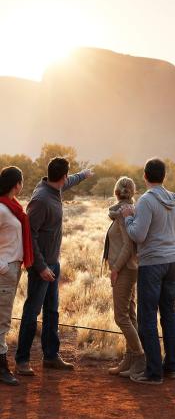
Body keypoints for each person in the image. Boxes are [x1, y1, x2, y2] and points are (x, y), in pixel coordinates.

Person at [15, 157, 93, 375]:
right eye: (68, 176)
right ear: (63, 176)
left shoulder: (55, 187)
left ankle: (50, 356)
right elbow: (30, 236)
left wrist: (83, 175)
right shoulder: (41, 200)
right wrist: (40, 267)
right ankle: (22, 360)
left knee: (52, 311)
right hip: (42, 266)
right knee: (32, 311)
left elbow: (69, 182)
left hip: (53, 263)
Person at [122, 158, 175, 385]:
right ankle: (172, 366)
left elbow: (138, 235)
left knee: (147, 317)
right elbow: (173, 228)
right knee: (168, 314)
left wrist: (128, 218)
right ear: (163, 176)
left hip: (152, 263)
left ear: (145, 176)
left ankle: (153, 372)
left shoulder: (146, 200)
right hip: (172, 261)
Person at [104, 176, 145, 378]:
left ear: (116, 191)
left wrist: (115, 268)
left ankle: (139, 357)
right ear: (132, 191)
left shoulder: (121, 213)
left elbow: (128, 246)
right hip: (129, 268)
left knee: (120, 316)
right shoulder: (128, 210)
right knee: (129, 314)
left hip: (125, 269)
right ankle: (129, 361)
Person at [0, 167, 34, 386]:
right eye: (21, 182)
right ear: (17, 184)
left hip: (11, 269)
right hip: (5, 270)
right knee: (2, 321)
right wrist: (2, 266)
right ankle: (2, 369)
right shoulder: (2, 209)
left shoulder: (11, 208)